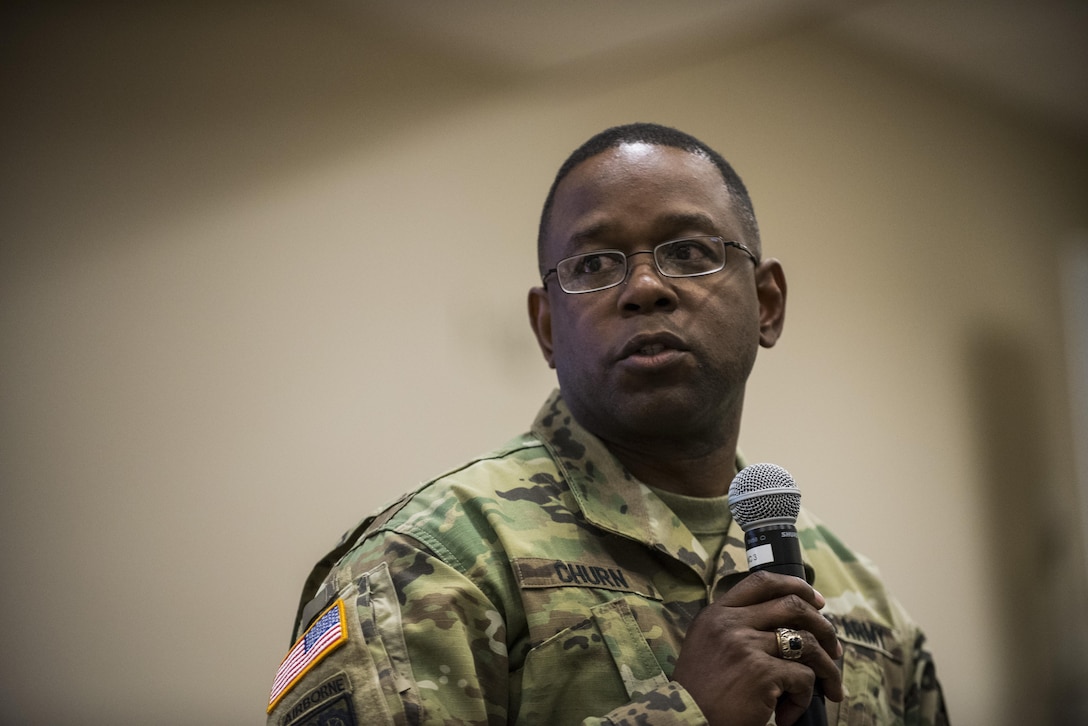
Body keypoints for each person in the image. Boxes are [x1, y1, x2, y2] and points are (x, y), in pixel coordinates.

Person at [265, 123, 948, 726]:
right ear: (546, 328)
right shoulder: (433, 562)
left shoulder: (865, 605)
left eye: (688, 251)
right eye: (594, 265)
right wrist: (685, 716)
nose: (645, 286)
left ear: (767, 304)